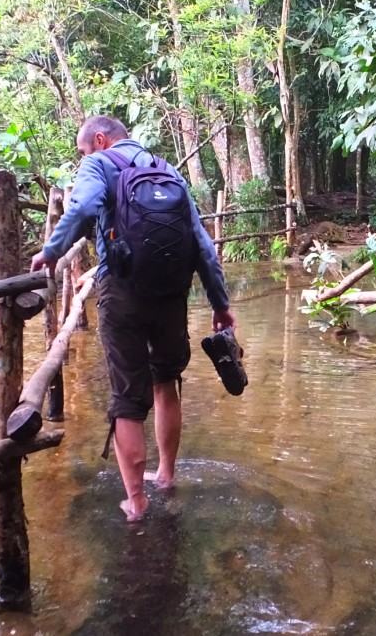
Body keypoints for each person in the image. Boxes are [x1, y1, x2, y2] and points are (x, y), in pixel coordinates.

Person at [31, 115, 235, 521]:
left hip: (122, 293)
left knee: (127, 399)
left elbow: (84, 205)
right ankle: (167, 476)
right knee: (165, 383)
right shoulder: (167, 170)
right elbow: (202, 245)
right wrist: (220, 304)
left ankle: (137, 502)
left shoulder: (100, 164)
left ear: (101, 140)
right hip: (171, 295)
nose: (84, 157)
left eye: (84, 150)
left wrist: (52, 250)